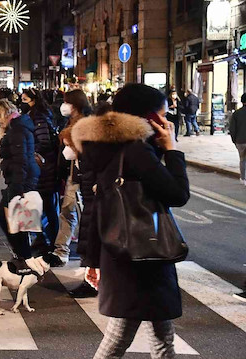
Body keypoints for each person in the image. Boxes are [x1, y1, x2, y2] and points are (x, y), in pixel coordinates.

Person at [73, 83, 189, 358]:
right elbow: (177, 194)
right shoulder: (135, 152)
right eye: (164, 113)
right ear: (150, 118)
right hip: (144, 254)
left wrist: (93, 259)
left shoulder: (110, 148)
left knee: (159, 334)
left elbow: (98, 206)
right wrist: (171, 150)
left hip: (122, 252)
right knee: (122, 336)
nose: (167, 119)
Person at [46, 89, 92, 267]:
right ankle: (62, 250)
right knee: (68, 211)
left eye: (67, 102)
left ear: (76, 105)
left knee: (72, 211)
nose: (63, 106)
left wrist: (70, 141)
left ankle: (72, 252)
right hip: (70, 173)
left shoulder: (85, 123)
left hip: (80, 174)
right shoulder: (70, 121)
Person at [0, 99, 40, 261]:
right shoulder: (16, 127)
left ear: (3, 113)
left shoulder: (17, 130)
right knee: (15, 220)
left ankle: (23, 256)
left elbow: (21, 160)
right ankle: (23, 255)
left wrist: (17, 188)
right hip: (20, 178)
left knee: (13, 220)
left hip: (21, 181)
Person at [20, 89, 60, 256]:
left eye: (25, 99)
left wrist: (28, 149)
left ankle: (47, 241)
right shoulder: (37, 114)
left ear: (34, 100)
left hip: (45, 168)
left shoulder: (38, 117)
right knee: (44, 205)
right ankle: (45, 240)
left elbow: (44, 141)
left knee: (44, 205)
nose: (22, 101)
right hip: (44, 167)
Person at [229, 93, 246, 186]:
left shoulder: (237, 113)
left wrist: (234, 140)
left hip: (240, 141)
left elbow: (232, 129)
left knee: (243, 160)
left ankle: (243, 178)